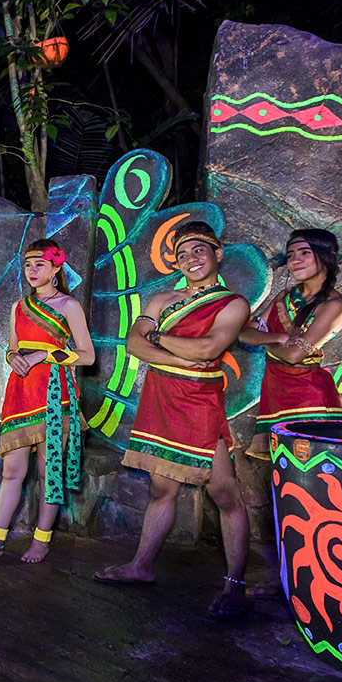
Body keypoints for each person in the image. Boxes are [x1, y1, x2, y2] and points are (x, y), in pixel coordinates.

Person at [93, 222, 255, 618]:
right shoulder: (161, 298)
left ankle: (235, 586)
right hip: (160, 400)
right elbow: (134, 344)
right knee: (161, 490)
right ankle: (140, 566)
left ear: (218, 254)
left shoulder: (232, 304)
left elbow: (210, 347)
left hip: (200, 402)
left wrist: (159, 339)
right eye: (182, 255)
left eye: (199, 250)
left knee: (224, 493)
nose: (190, 259)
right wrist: (185, 355)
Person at [0, 240, 95, 566]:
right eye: (28, 265)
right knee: (12, 470)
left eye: (40, 264)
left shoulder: (69, 306)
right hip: (21, 392)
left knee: (47, 470)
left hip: (55, 394)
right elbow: (12, 348)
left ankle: (42, 541)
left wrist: (44, 354)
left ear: (56, 269)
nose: (33, 270)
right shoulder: (18, 306)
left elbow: (87, 355)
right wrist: (13, 357)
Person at [239, 229, 342, 457]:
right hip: (277, 392)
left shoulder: (334, 304)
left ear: (326, 255)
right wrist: (277, 338)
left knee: (312, 472)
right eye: (290, 255)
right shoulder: (286, 296)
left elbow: (293, 356)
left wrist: (267, 342)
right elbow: (245, 334)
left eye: (304, 252)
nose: (294, 260)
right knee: (283, 472)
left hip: (310, 398)